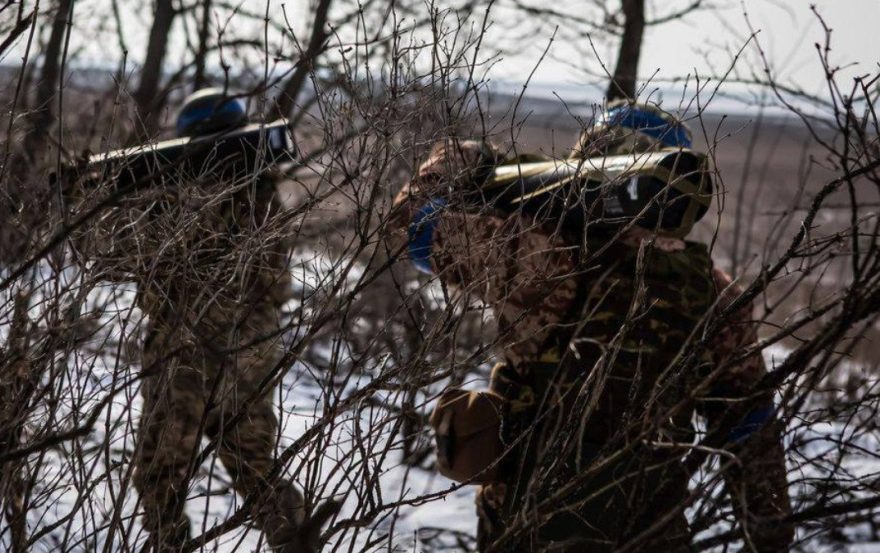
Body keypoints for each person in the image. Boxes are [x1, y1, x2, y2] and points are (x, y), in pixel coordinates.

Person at [388, 101, 793, 552]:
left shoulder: (541, 256)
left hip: (529, 524)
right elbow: (750, 427)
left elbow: (413, 228)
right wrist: (770, 535)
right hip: (651, 532)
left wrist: (459, 158)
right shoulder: (715, 294)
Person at [77, 89, 330, 552]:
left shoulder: (176, 196)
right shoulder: (262, 191)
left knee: (160, 471)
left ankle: (170, 545)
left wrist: (97, 198)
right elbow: (274, 280)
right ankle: (293, 535)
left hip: (186, 349)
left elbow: (120, 259)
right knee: (251, 457)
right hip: (254, 346)